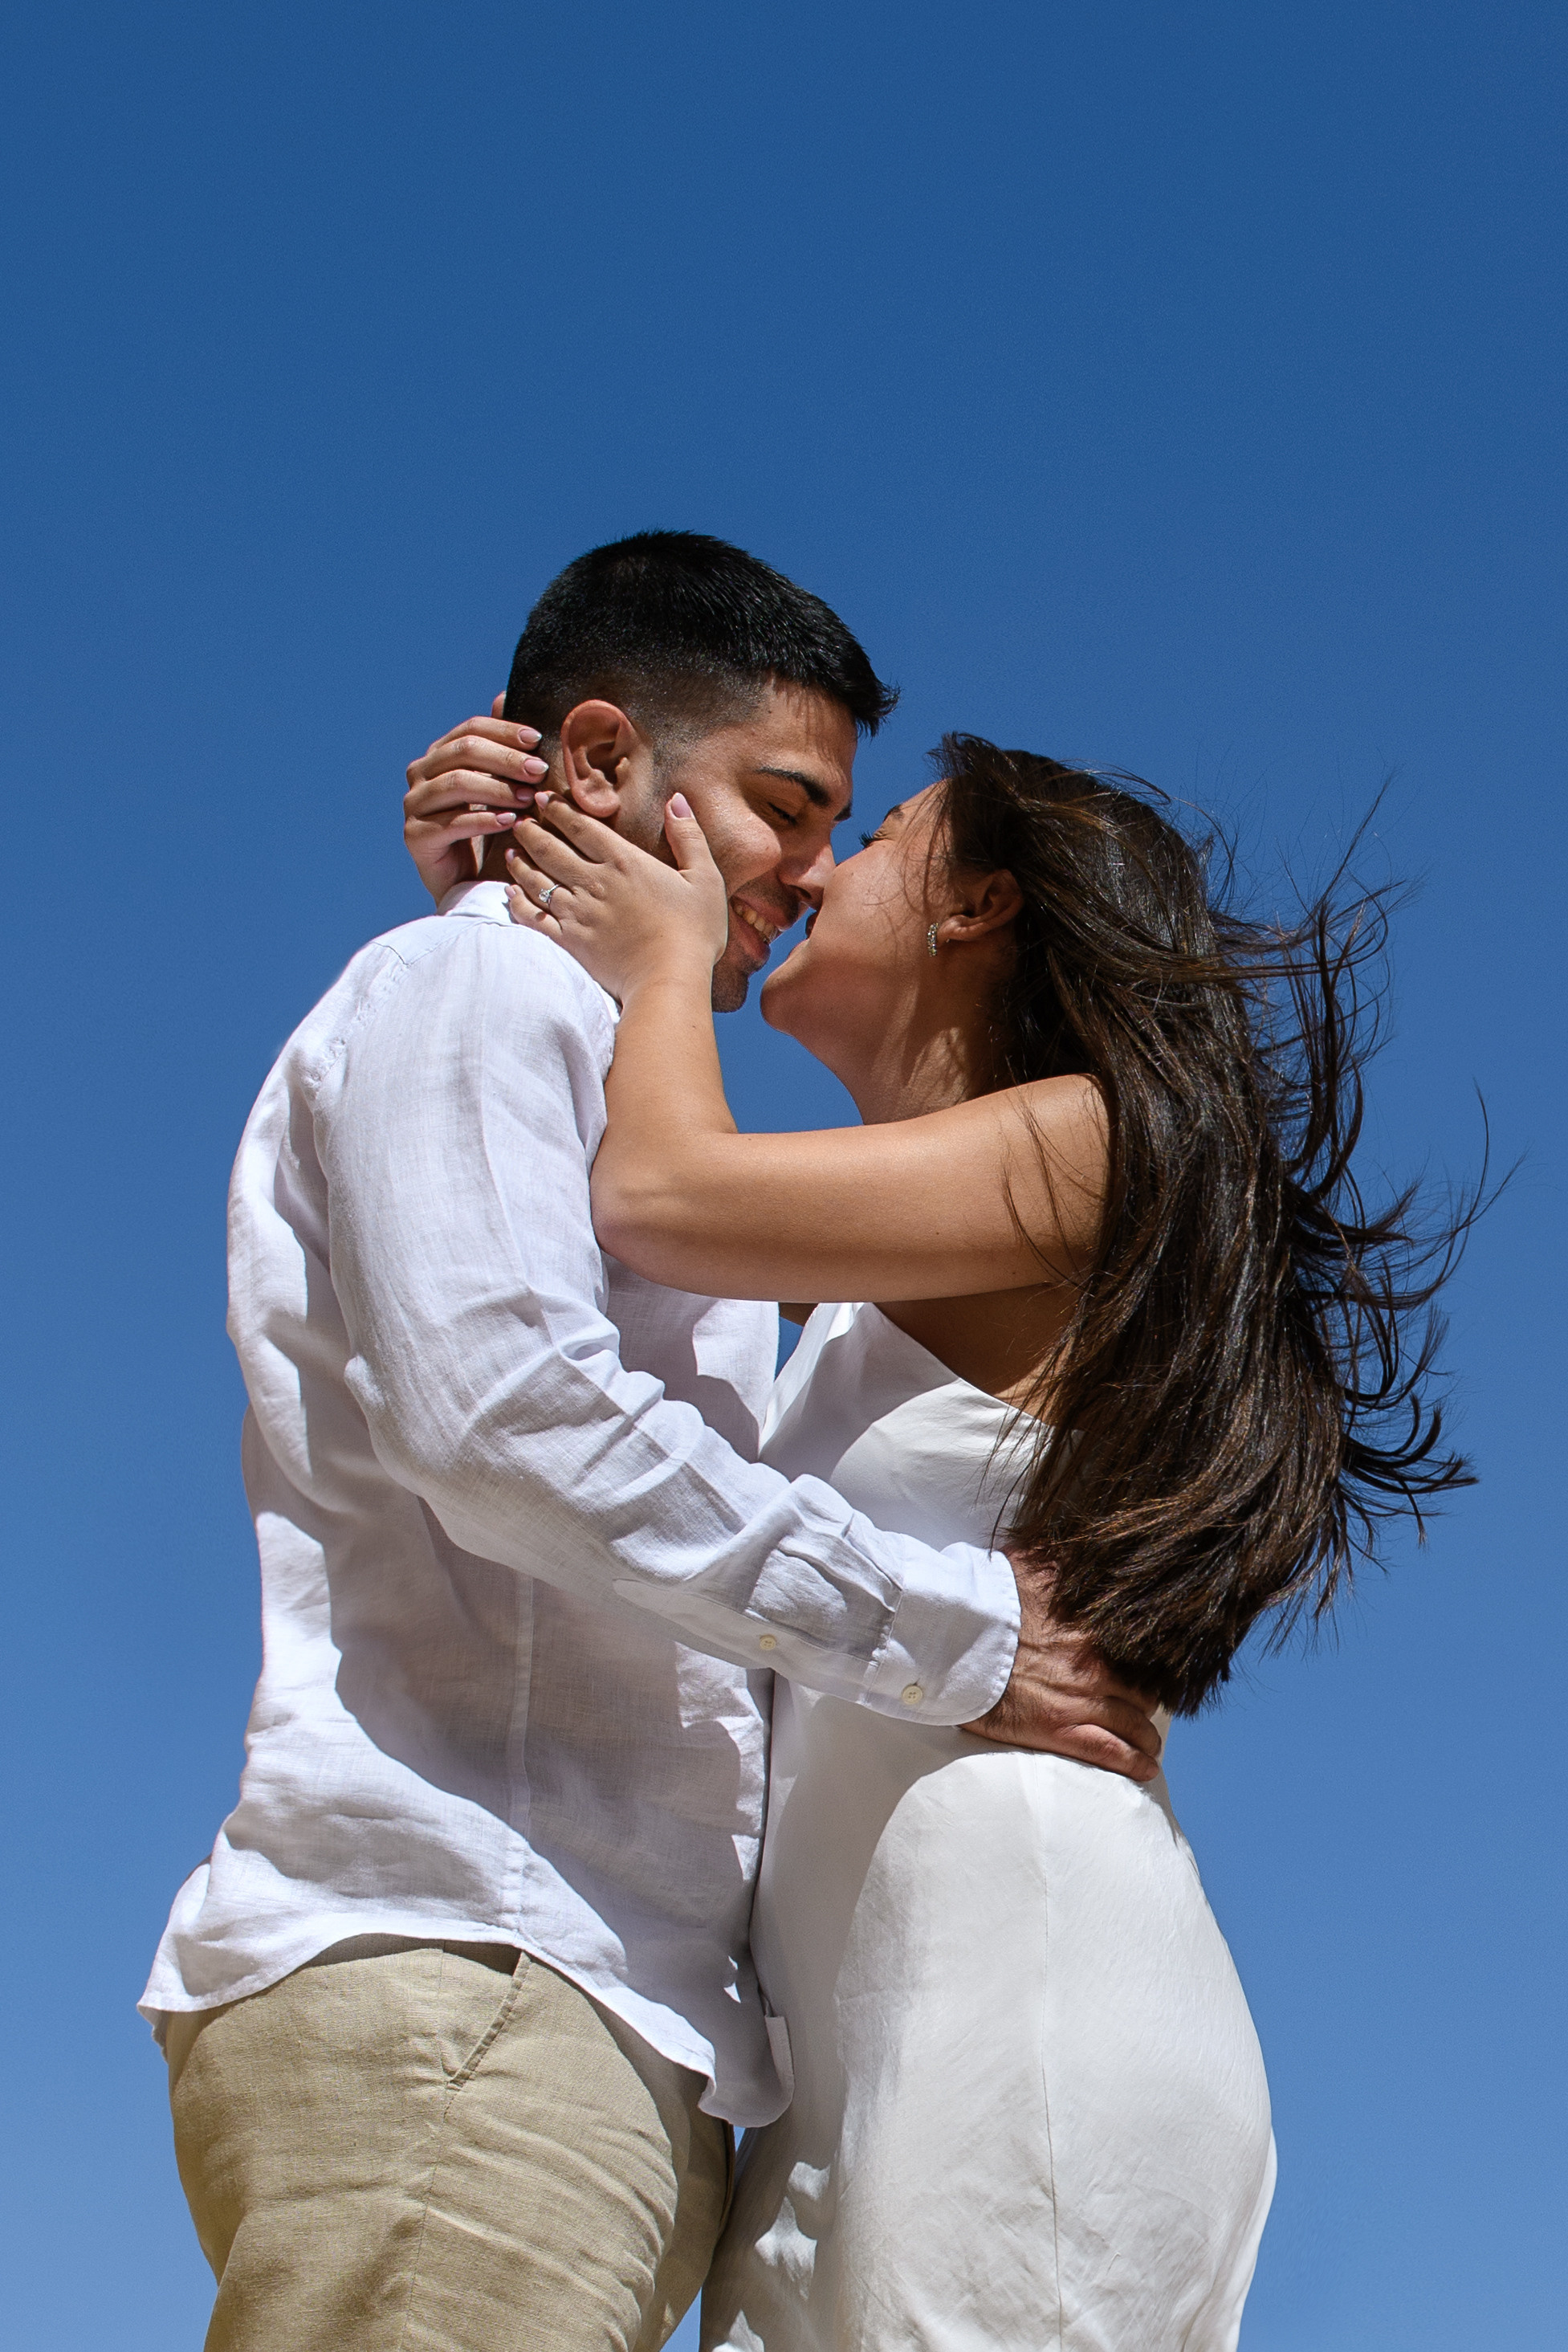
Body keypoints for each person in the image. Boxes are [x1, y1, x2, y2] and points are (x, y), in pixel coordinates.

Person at [145, 533, 1159, 2352]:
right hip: (486, 1968)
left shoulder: (638, 1098)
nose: (811, 865)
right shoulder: (483, 997)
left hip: (615, 2025)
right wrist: (966, 1637)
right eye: (786, 802)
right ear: (601, 762)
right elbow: (505, 1416)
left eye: (845, 831)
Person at [499, 736, 1472, 2351]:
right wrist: (506, 858)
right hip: (853, 2046)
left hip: (1008, 1989)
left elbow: (658, 1193)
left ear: (979, 905)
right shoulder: (867, 1299)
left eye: (870, 836)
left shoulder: (1078, 1144)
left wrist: (667, 954)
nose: (807, 870)